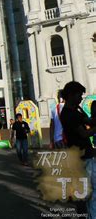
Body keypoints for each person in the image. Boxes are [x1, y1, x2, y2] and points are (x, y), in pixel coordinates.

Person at [60, 81, 96, 217]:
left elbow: (89, 122)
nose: (81, 98)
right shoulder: (68, 114)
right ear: (70, 95)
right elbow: (84, 133)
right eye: (79, 95)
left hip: (85, 155)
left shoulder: (76, 110)